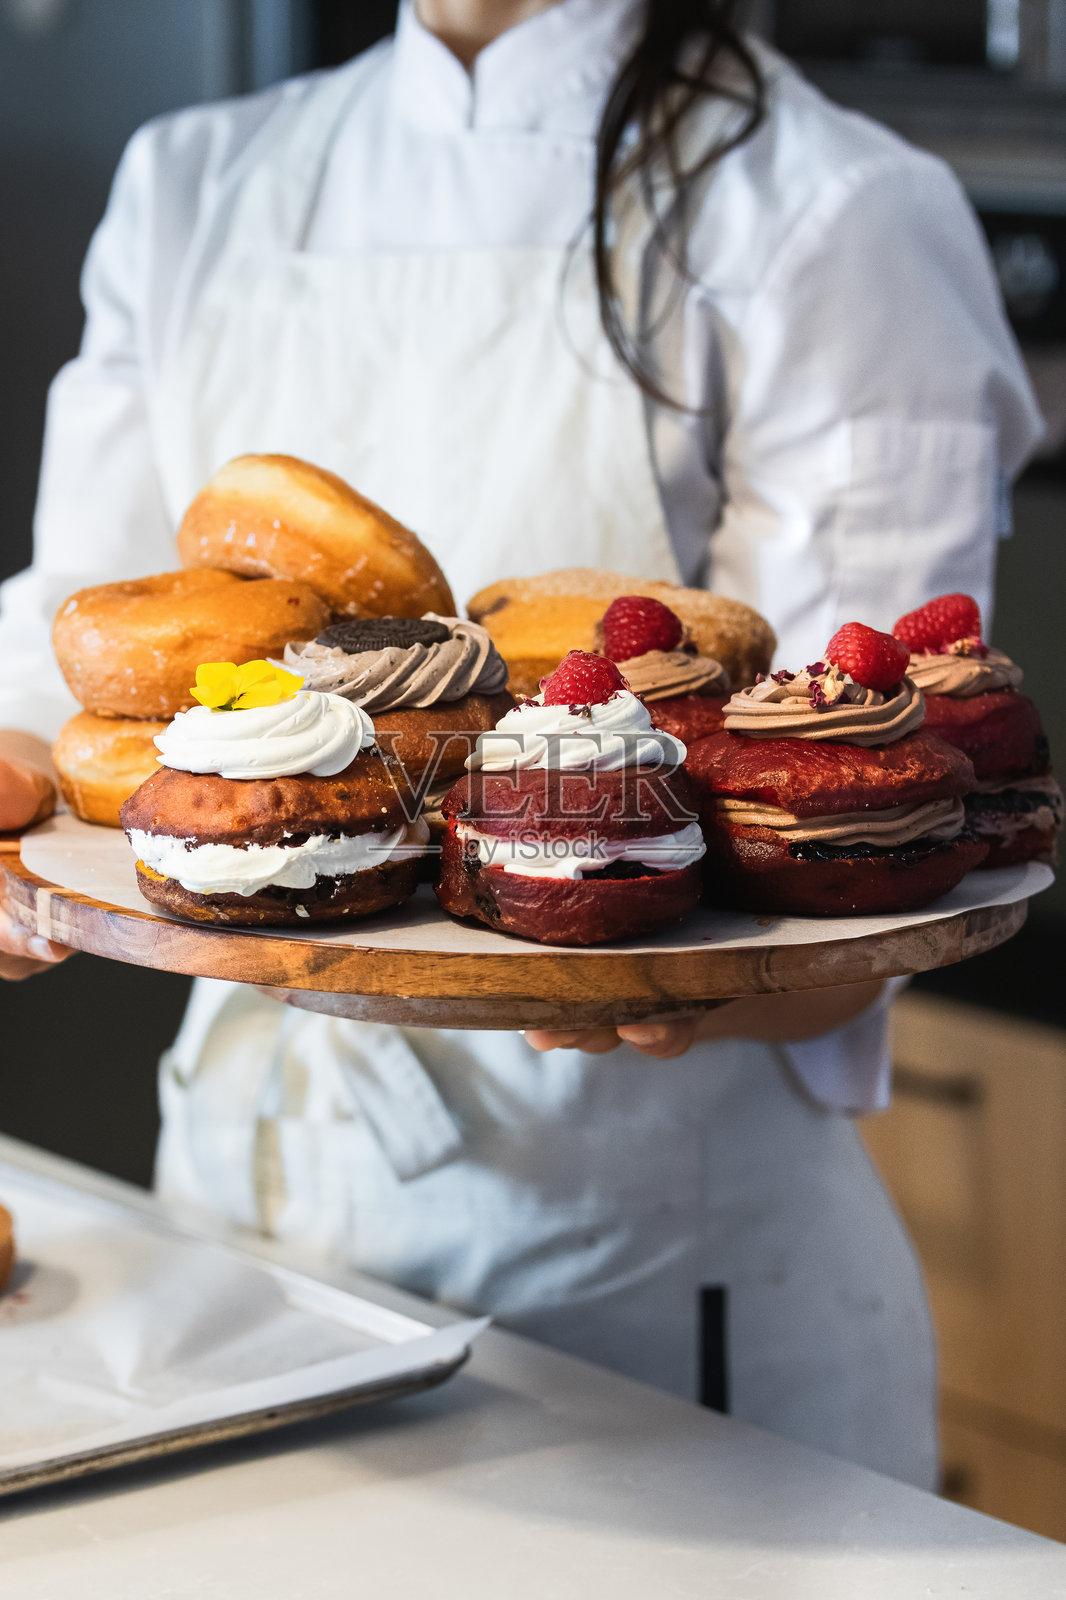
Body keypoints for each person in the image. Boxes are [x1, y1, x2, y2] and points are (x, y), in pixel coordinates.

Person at [0, 0, 1042, 1486]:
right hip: (237, 1214)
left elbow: (862, 825)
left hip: (631, 1263)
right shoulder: (199, 179)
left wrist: (676, 978)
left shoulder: (833, 211)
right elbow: (71, 658)